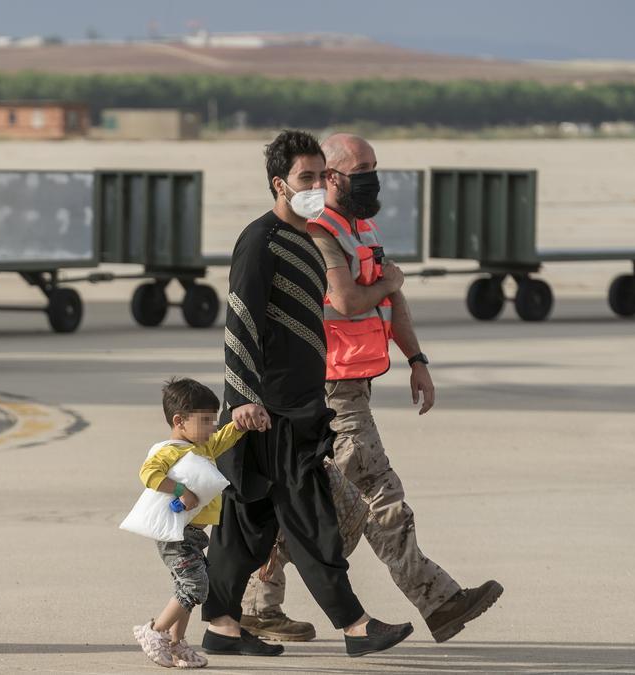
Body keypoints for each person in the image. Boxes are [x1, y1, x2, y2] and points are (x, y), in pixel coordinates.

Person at [241, 133, 502, 643]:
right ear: (331, 176)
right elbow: (347, 300)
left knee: (325, 508)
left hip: (352, 384)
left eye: (375, 165)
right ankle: (439, 601)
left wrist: (417, 359)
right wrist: (389, 283)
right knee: (382, 496)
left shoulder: (361, 228)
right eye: (362, 167)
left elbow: (390, 300)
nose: (373, 176)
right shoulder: (317, 231)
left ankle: (257, 601)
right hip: (329, 388)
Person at [200, 129, 413, 659]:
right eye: (306, 178)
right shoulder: (260, 239)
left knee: (247, 526)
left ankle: (220, 626)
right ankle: (356, 625)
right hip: (269, 410)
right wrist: (244, 398)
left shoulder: (308, 238)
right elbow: (240, 322)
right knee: (312, 517)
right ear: (280, 183)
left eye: (322, 175)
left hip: (300, 402)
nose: (318, 185)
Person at [132, 377, 249, 669]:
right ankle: (155, 631)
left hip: (194, 536)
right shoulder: (170, 450)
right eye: (206, 420)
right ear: (179, 421)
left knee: (186, 587)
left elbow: (222, 439)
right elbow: (148, 473)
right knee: (195, 585)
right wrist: (182, 492)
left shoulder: (203, 446)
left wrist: (239, 425)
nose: (212, 427)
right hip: (177, 536)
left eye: (213, 420)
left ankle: (176, 643)